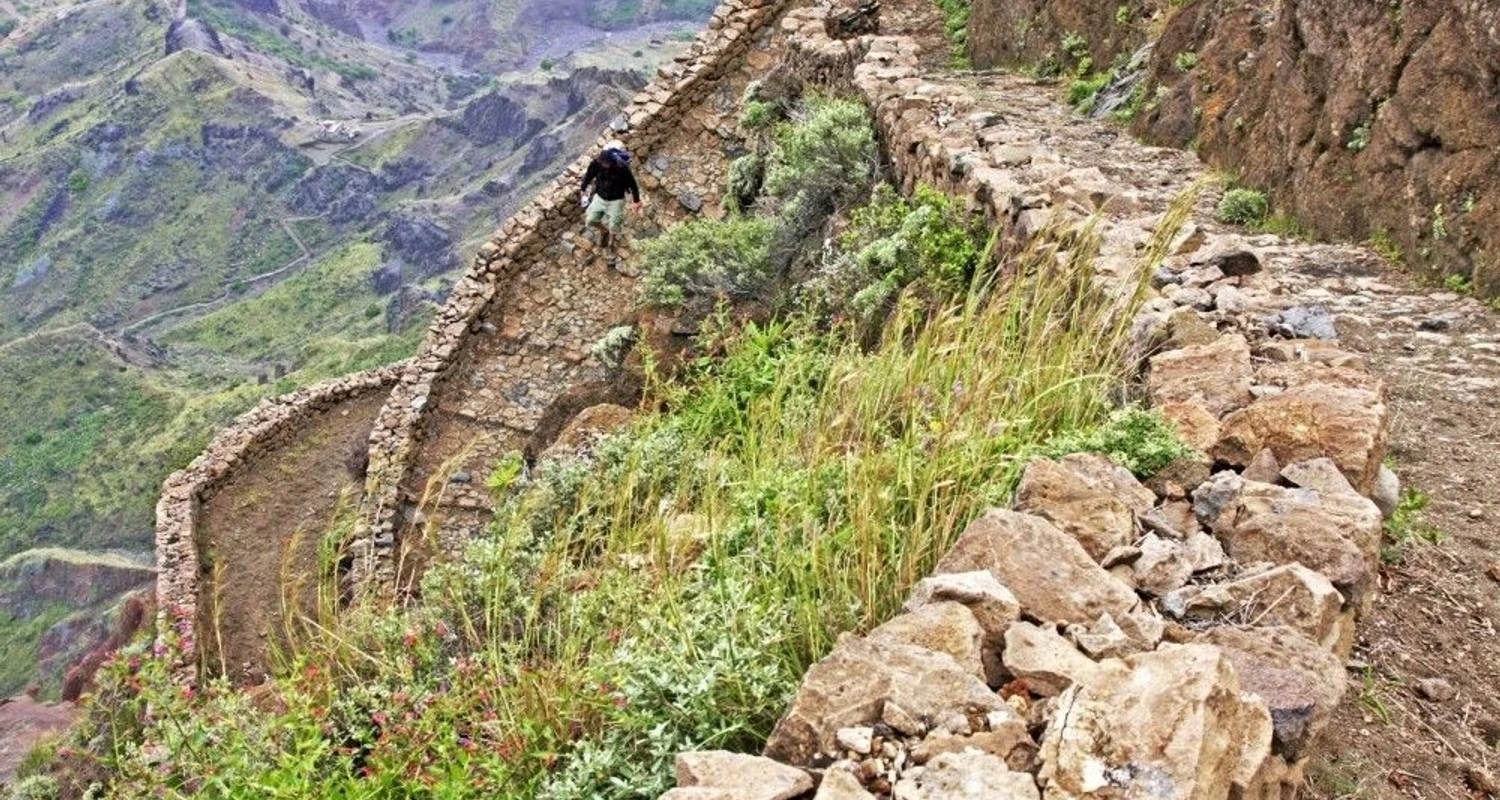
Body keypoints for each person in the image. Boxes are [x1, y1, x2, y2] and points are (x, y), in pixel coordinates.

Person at [579, 140, 641, 258]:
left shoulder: (622, 169)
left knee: (614, 225)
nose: (603, 164)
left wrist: (636, 201)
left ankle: (611, 241)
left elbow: (633, 185)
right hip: (600, 196)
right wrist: (583, 187)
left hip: (616, 199)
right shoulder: (597, 163)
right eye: (603, 162)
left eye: (606, 163)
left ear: (613, 161)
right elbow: (589, 175)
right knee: (591, 220)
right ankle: (604, 231)